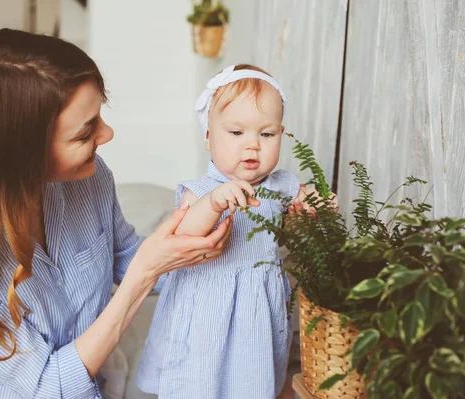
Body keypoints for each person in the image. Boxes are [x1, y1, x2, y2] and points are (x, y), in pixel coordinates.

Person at [0, 29, 234, 398]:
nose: (108, 133)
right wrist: (145, 274)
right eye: (84, 135)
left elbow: (125, 256)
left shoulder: (90, 179)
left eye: (100, 116)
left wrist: (203, 237)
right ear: (18, 157)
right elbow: (47, 386)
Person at [137, 64, 334, 398]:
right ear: (208, 136)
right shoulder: (199, 191)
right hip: (206, 306)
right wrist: (213, 204)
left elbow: (309, 199)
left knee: (252, 374)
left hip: (256, 301)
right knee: (198, 376)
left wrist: (322, 203)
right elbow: (183, 234)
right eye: (236, 133)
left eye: (266, 134)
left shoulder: (279, 184)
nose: (252, 146)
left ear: (281, 135)